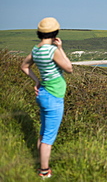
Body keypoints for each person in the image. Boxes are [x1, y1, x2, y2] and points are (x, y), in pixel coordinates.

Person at [21, 17, 73, 178]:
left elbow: (24, 66)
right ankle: (44, 171)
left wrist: (37, 81)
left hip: (43, 93)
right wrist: (61, 48)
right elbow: (69, 68)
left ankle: (40, 163)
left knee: (43, 133)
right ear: (55, 33)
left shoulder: (36, 50)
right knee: (48, 138)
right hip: (53, 96)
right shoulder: (52, 51)